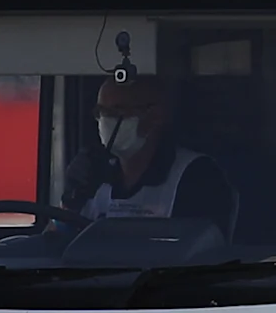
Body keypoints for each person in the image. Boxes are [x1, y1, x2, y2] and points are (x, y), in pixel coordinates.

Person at [80, 66, 237, 231]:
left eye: (117, 111)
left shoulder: (196, 176)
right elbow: (56, 239)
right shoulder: (93, 173)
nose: (105, 120)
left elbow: (198, 249)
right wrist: (70, 199)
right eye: (101, 111)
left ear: (156, 116)